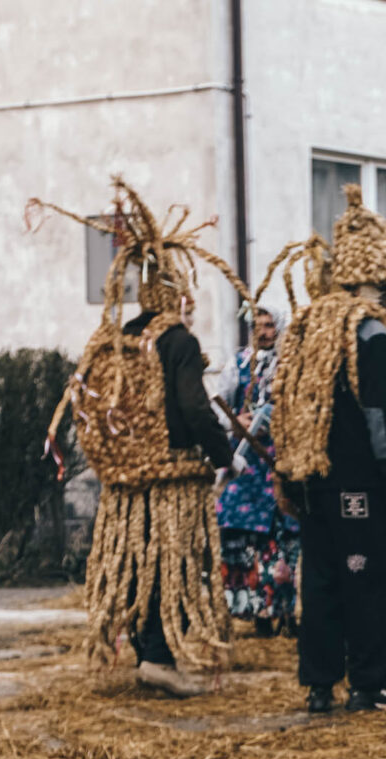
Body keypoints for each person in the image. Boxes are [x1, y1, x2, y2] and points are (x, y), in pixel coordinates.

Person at [42, 180, 239, 697]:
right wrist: (224, 455)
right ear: (176, 292)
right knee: (170, 563)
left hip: (126, 479)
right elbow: (194, 407)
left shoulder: (120, 337)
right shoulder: (177, 341)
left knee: (137, 561)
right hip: (171, 478)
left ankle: (146, 651)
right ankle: (157, 657)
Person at [266, 186, 386, 713]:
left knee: (322, 580)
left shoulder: (307, 328)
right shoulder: (369, 332)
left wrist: (288, 474)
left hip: (311, 483)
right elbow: (380, 415)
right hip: (359, 486)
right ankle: (368, 684)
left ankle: (319, 685)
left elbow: (283, 401)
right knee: (365, 578)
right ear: (379, 283)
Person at [218, 306, 299, 636]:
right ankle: (255, 612)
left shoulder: (290, 366)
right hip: (246, 468)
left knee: (284, 541)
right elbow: (218, 407)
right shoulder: (237, 365)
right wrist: (235, 422)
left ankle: (284, 613)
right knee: (244, 540)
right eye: (258, 326)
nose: (264, 332)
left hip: (280, 465)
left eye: (269, 325)